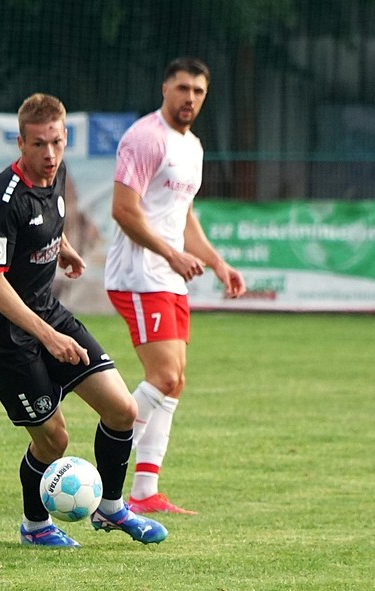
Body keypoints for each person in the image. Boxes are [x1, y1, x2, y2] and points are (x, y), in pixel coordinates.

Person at [0, 93, 168, 548]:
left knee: (123, 410)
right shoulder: (4, 199)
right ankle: (35, 526)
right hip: (7, 340)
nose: (50, 153)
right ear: (21, 143)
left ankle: (111, 508)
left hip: (48, 314)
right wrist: (48, 337)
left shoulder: (56, 175)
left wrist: (64, 249)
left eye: (57, 142)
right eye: (39, 144)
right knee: (53, 440)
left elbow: (45, 224)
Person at [105, 57, 246, 515]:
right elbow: (123, 210)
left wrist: (217, 262)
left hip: (169, 275)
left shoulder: (193, 147)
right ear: (165, 89)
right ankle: (104, 469)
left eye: (198, 91)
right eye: (183, 88)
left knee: (174, 382)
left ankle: (145, 492)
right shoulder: (145, 138)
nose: (190, 98)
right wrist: (171, 255)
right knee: (163, 376)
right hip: (138, 274)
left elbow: (183, 216)